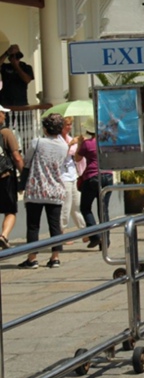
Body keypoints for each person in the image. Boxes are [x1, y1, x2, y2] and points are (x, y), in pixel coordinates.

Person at [18, 114, 68, 269]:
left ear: (45, 128)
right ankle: (55, 257)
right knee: (55, 225)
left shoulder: (37, 142)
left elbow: (26, 161)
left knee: (33, 225)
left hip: (36, 189)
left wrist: (21, 184)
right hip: (56, 189)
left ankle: (32, 258)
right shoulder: (64, 146)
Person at [75, 128, 113, 249]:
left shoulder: (88, 144)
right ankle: (106, 240)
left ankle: (95, 236)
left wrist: (80, 144)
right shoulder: (108, 141)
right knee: (103, 210)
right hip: (108, 176)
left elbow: (77, 158)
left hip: (93, 177)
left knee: (85, 208)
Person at [0, 104, 23, 248]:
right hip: (4, 176)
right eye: (3, 113)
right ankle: (4, 235)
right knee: (10, 210)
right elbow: (17, 157)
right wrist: (25, 175)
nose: (5, 116)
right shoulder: (6, 132)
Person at [59, 117, 86, 233]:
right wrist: (69, 145)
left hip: (73, 175)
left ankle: (85, 231)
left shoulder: (70, 138)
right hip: (63, 177)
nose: (69, 127)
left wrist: (80, 144)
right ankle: (61, 232)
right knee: (65, 207)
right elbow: (59, 156)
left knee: (76, 205)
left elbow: (77, 156)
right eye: (67, 125)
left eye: (70, 124)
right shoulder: (57, 140)